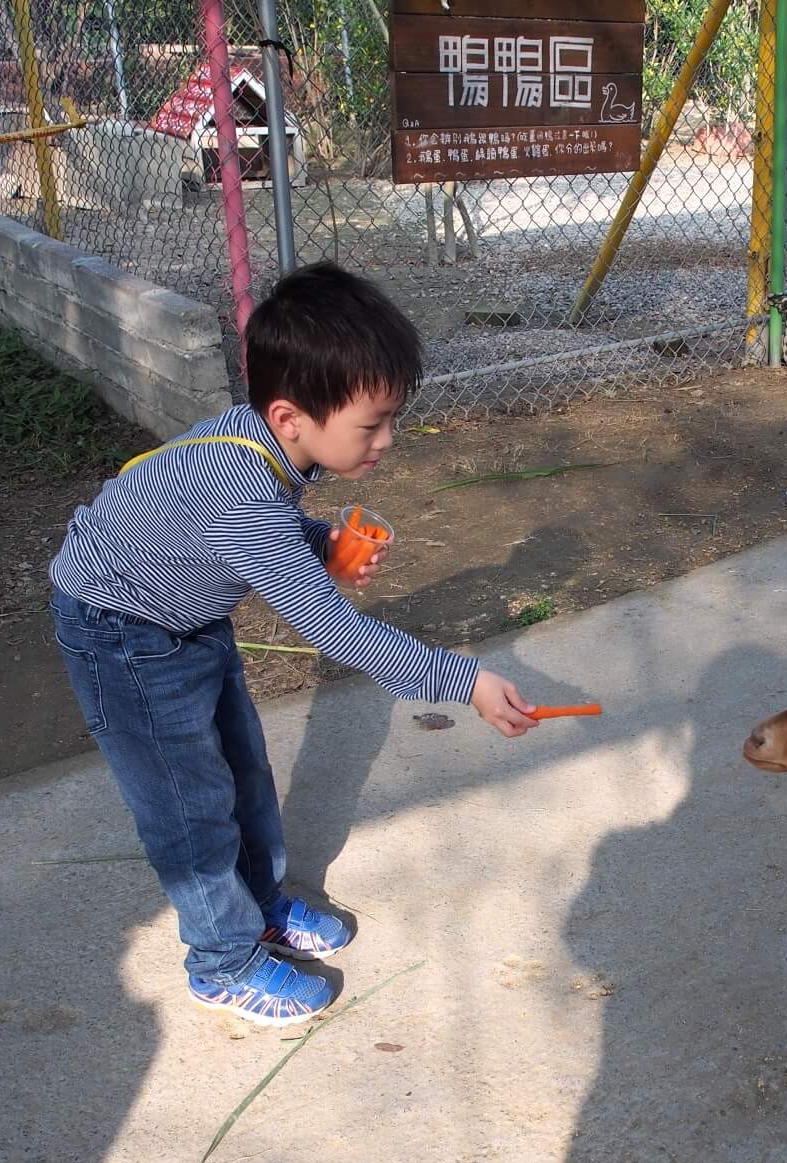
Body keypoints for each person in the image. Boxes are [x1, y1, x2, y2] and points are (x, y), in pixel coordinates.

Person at [48, 262, 537, 1027]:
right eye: (369, 425)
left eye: (390, 419)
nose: (386, 441)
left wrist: (318, 542)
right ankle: (222, 962)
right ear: (289, 417)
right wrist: (463, 679)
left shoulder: (266, 450)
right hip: (122, 635)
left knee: (240, 771)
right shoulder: (240, 485)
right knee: (190, 808)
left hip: (184, 618)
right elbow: (331, 628)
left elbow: (254, 536)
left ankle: (263, 907)